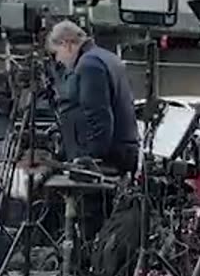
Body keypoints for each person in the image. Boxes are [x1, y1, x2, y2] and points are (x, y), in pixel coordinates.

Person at [46, 21, 140, 173]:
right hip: (122, 152)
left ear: (66, 44)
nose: (58, 60)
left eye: (56, 53)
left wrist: (90, 158)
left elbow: (98, 116)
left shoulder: (89, 64)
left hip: (105, 160)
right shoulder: (108, 58)